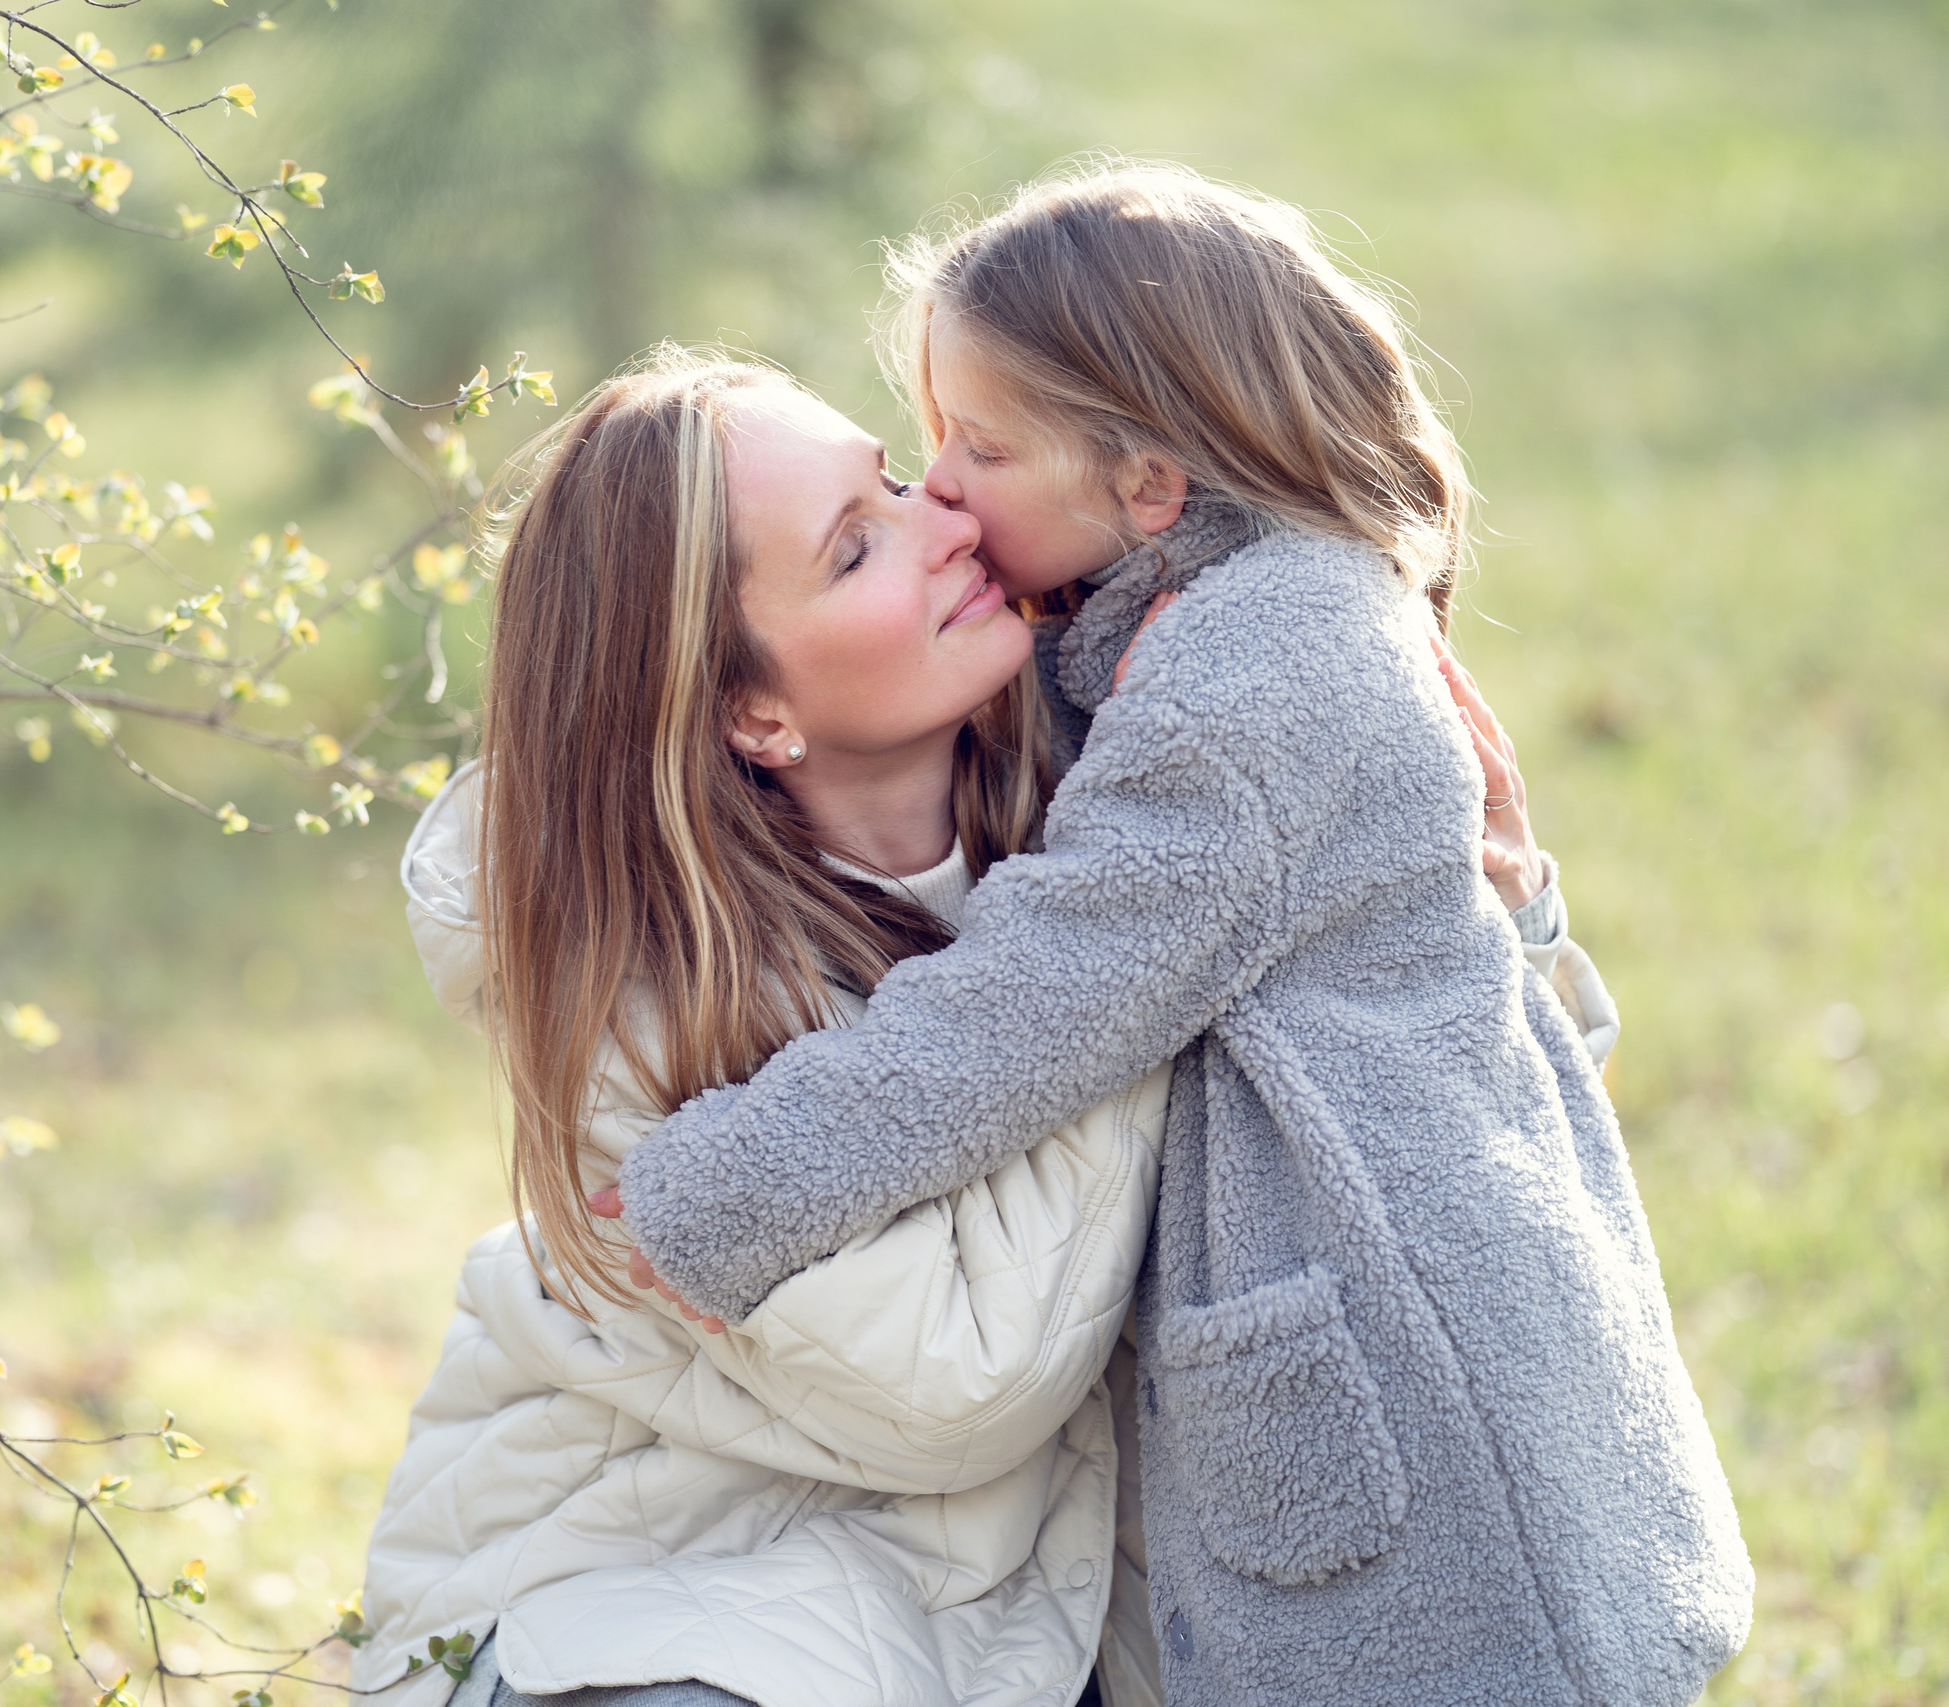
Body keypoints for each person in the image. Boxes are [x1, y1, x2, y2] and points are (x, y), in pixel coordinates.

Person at [606, 166, 1751, 1706]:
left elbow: (1030, 1001)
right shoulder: (1205, 627)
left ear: (1147, 482)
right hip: (1430, 1349)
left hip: (1424, 1410)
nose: (939, 487)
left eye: (978, 446)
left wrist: (734, 1186)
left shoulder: (1255, 678)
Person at [356, 345, 1610, 1707]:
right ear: (749, 711)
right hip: (663, 1585)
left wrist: (1506, 907)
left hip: (1047, 1601)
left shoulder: (1125, 752)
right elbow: (957, 1390)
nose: (944, 519)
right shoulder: (642, 979)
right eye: (854, 549)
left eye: (891, 479)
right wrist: (1158, 941)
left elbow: (1444, 1143)